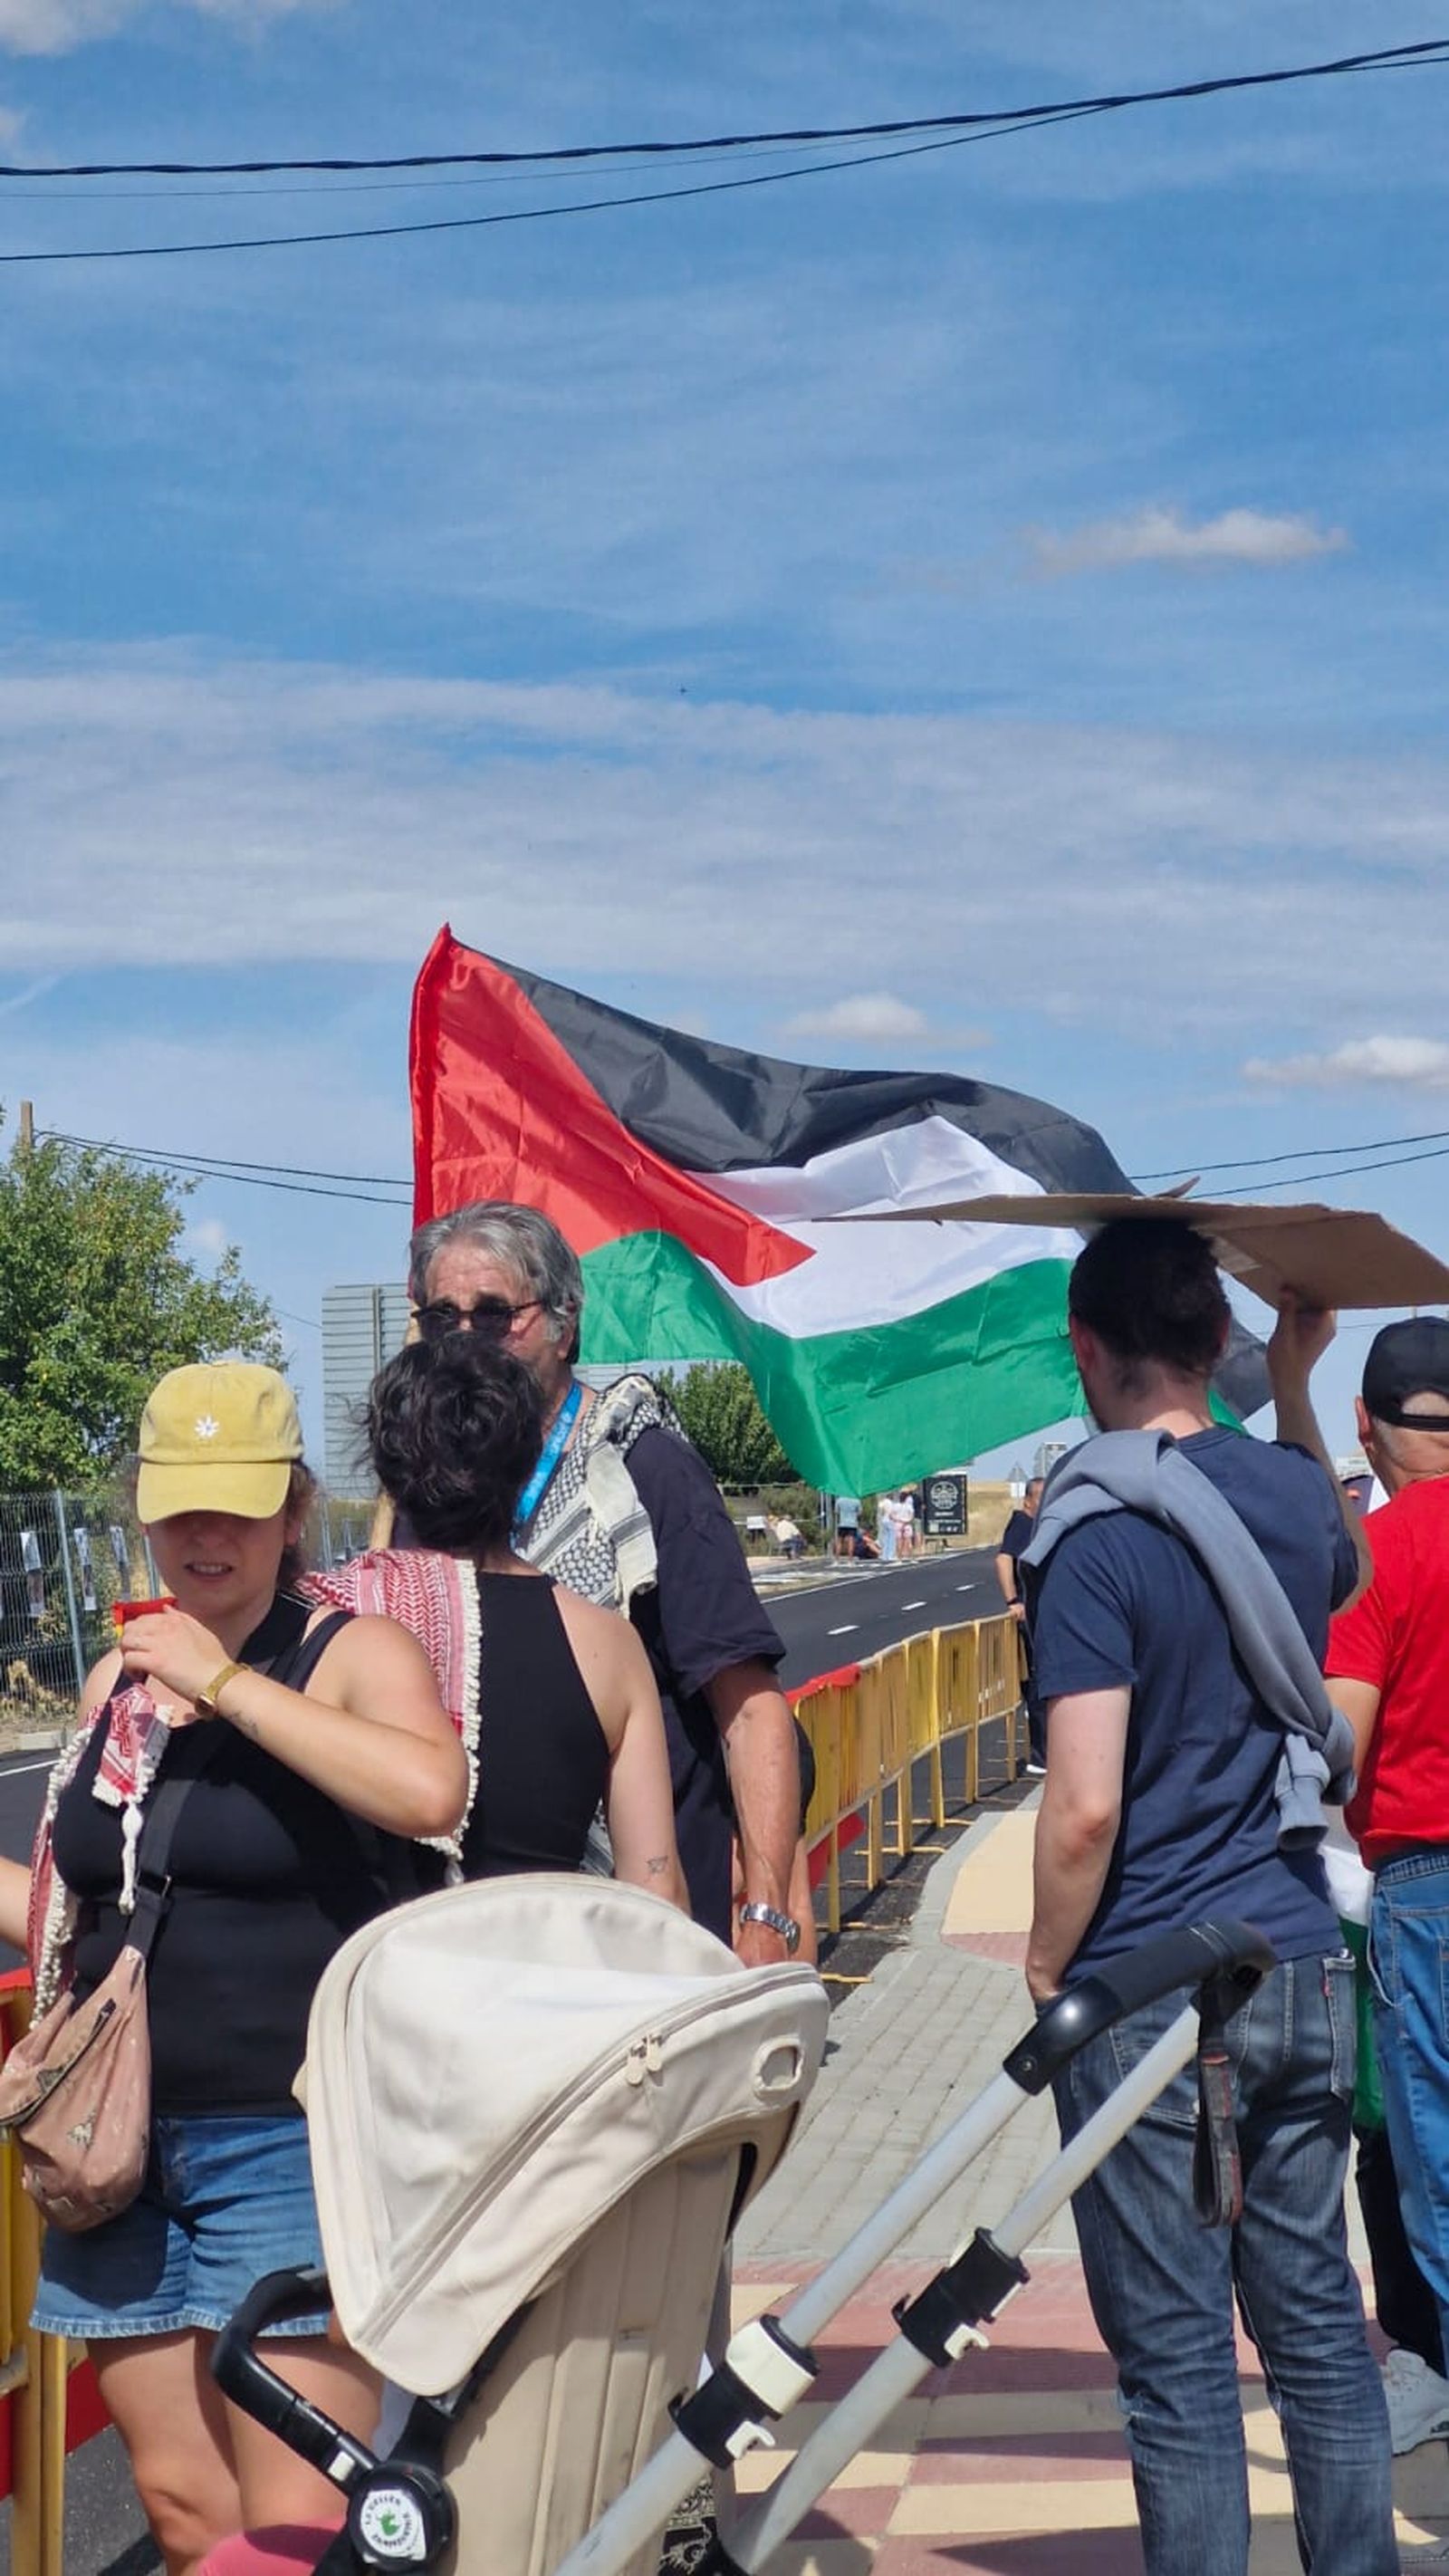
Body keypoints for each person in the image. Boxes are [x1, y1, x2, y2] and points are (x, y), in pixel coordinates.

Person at [0, 1363, 466, 2576]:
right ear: (143, 1510)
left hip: (291, 2140)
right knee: (183, 2511)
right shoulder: (119, 1680)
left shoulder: (349, 1652)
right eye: (179, 1509)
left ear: (293, 1510)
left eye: (238, 1508)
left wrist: (220, 1681)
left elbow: (429, 1791)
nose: (205, 1537)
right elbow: (79, 1907)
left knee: (296, 2521)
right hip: (118, 2150)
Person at [1022, 1218, 1394, 2576]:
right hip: (1298, 1960)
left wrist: (1047, 1966)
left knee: (1179, 2366)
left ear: (1086, 1347)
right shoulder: (1291, 1499)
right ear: (1213, 1339)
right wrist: (1296, 1375)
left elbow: (1085, 1805)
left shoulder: (1091, 1533)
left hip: (1147, 1983)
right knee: (1318, 2333)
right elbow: (1342, 1558)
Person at [406, 1204, 804, 1966]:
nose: (465, 1340)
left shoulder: (646, 1471)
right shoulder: (427, 1496)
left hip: (644, 1935)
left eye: (495, 1315)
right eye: (441, 1317)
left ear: (565, 1325)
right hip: (473, 1939)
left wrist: (765, 1915)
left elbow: (750, 1709)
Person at [343, 1333, 689, 1910]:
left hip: (378, 1961)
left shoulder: (337, 1620)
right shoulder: (607, 1645)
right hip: (551, 1958)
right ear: (529, 1460)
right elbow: (655, 1887)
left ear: (387, 1467)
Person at [1325, 1318, 1449, 2458]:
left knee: (1439, 2185)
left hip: (1427, 1889)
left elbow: (1339, 1750)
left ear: (1366, 1425)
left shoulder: (1379, 1554)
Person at [994, 1477, 1045, 1773]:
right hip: (1028, 1614)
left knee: (1038, 1679)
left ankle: (1043, 1751)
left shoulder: (1037, 1525)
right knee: (1038, 1678)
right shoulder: (1022, 1524)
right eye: (1041, 1497)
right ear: (1028, 1500)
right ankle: (1041, 1755)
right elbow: (1003, 1560)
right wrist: (1013, 1600)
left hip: (1039, 1613)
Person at [833, 1495, 861, 1560]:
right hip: (852, 1524)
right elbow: (859, 1513)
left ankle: (837, 1560)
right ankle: (850, 1560)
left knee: (840, 1541)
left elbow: (836, 1512)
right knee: (851, 1541)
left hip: (842, 1523)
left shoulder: (839, 1500)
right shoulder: (856, 1500)